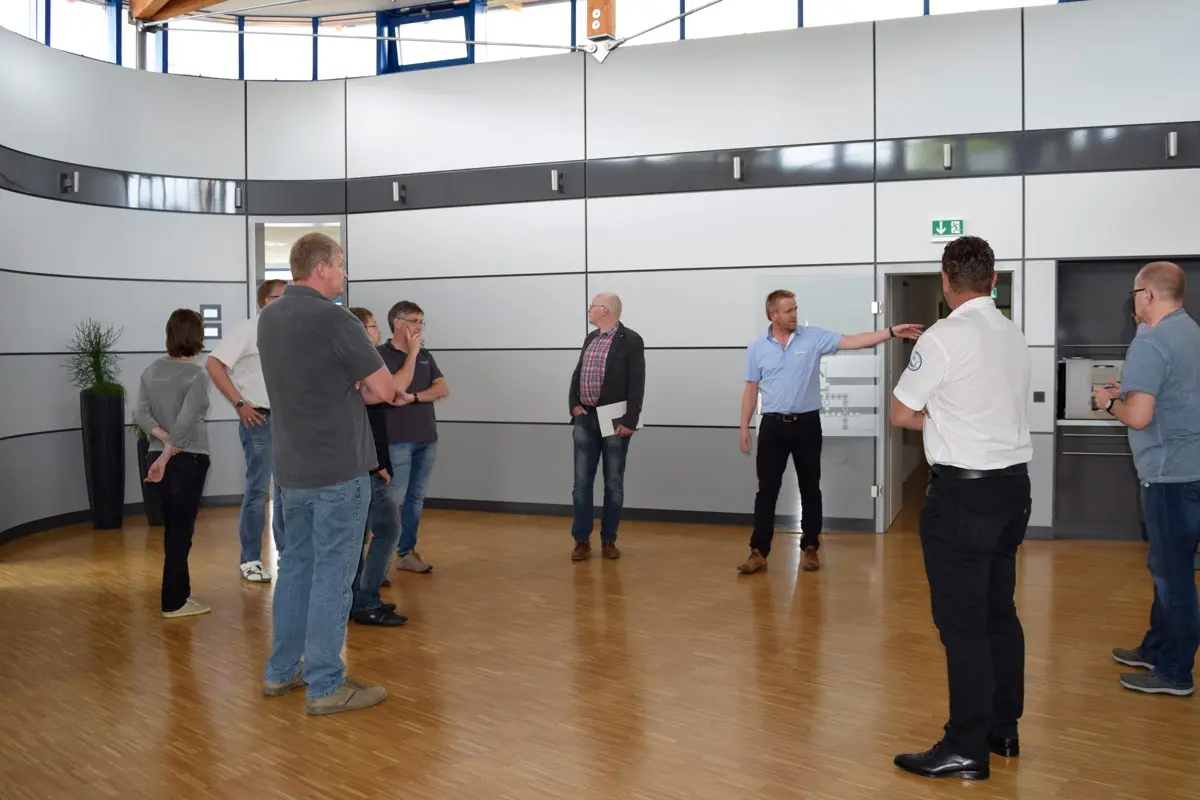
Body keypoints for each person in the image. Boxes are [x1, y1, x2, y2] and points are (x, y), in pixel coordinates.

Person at [889, 235, 1032, 781]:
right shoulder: (1012, 334)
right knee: (999, 610)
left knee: (962, 623)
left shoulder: (944, 336)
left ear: (947, 282)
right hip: (1012, 489)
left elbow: (902, 413)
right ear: (992, 281)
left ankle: (965, 747)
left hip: (964, 496)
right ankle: (1002, 728)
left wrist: (941, 418)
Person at [257, 232, 409, 715]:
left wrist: (353, 386)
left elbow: (315, 384)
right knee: (333, 577)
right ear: (321, 267)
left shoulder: (270, 317)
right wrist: (367, 384)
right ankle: (325, 686)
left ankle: (282, 671)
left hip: (291, 471)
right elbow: (384, 389)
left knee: (295, 570)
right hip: (339, 471)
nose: (344, 273)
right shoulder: (337, 319)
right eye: (341, 264)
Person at [737, 292, 922, 574]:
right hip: (773, 426)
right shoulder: (757, 347)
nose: (794, 315)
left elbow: (854, 341)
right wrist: (744, 426)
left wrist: (891, 332)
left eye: (795, 309)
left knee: (810, 488)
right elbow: (751, 389)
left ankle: (810, 547)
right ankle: (758, 552)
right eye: (788, 311)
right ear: (772, 315)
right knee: (767, 491)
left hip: (806, 425)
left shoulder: (813, 338)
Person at [1094, 260, 1200, 698]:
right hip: (1192, 469)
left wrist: (1108, 402)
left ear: (1149, 295)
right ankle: (1156, 648)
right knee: (1169, 568)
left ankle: (1175, 671)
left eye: (1135, 294)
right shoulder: (1191, 332)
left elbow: (1138, 416)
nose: (1133, 303)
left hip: (1169, 475)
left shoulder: (1151, 341)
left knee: (1173, 577)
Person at [207, 279, 286, 583]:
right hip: (259, 420)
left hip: (288, 421)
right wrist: (240, 403)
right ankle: (250, 559)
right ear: (267, 300)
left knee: (287, 489)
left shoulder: (292, 331)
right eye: (281, 296)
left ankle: (287, 553)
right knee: (258, 490)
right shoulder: (248, 329)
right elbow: (214, 364)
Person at [135, 309, 213, 619]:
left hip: (158, 454)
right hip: (188, 459)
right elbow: (185, 422)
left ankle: (180, 594)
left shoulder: (151, 370)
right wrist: (168, 454)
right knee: (182, 532)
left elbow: (141, 414)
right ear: (196, 335)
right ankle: (174, 602)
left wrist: (161, 443)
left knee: (173, 530)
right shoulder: (197, 375)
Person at [568, 293, 644, 561]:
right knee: (581, 484)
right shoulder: (590, 338)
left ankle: (609, 539)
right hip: (585, 419)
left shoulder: (631, 340)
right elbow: (578, 374)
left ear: (605, 311)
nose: (588, 310)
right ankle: (581, 540)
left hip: (615, 420)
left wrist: (630, 421)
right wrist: (574, 404)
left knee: (613, 484)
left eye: (592, 306)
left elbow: (637, 382)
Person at [374, 301, 449, 576]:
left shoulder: (426, 355)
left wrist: (415, 397)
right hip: (397, 441)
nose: (419, 327)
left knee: (416, 499)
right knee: (395, 499)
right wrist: (412, 355)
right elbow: (391, 391)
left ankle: (406, 553)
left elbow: (441, 388)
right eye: (415, 321)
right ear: (398, 323)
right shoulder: (380, 356)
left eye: (421, 322)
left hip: (426, 438)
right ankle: (380, 562)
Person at [346, 306, 407, 627]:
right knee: (382, 531)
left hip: (371, 463)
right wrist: (377, 463)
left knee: (373, 533)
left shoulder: (361, 362)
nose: (378, 331)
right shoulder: (357, 364)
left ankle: (361, 599)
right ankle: (363, 601)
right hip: (367, 465)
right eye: (372, 326)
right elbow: (387, 392)